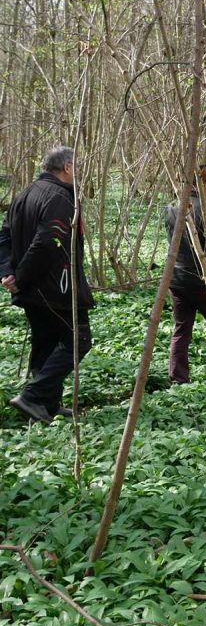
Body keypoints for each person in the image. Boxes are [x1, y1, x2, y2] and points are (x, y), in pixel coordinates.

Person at [0, 146, 94, 424]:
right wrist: (20, 277)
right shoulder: (60, 198)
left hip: (32, 289)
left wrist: (9, 273)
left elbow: (3, 238)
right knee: (79, 340)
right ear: (66, 167)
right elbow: (46, 244)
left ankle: (46, 406)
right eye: (77, 166)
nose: (80, 172)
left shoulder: (25, 194)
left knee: (45, 344)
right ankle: (33, 396)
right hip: (55, 290)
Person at [165, 165, 206, 384]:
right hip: (203, 282)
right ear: (199, 185)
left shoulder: (172, 207)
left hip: (177, 280)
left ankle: (178, 378)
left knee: (182, 329)